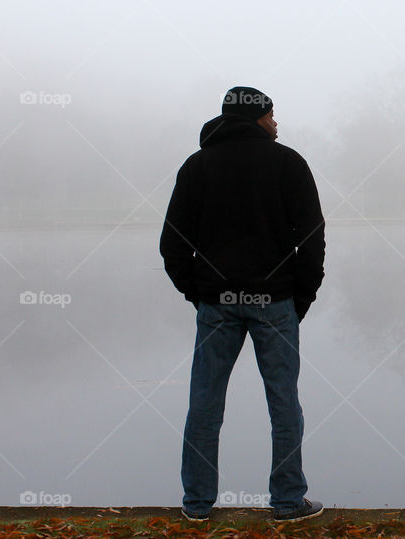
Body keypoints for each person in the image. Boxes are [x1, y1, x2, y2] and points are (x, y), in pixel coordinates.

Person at [159, 86, 326, 523]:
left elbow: (173, 244)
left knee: (204, 404)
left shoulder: (197, 166)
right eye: (272, 115)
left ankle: (196, 506)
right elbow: (311, 240)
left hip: (217, 302)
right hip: (275, 301)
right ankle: (288, 503)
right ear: (256, 117)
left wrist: (199, 292)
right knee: (284, 403)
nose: (276, 122)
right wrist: (300, 298)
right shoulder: (289, 163)